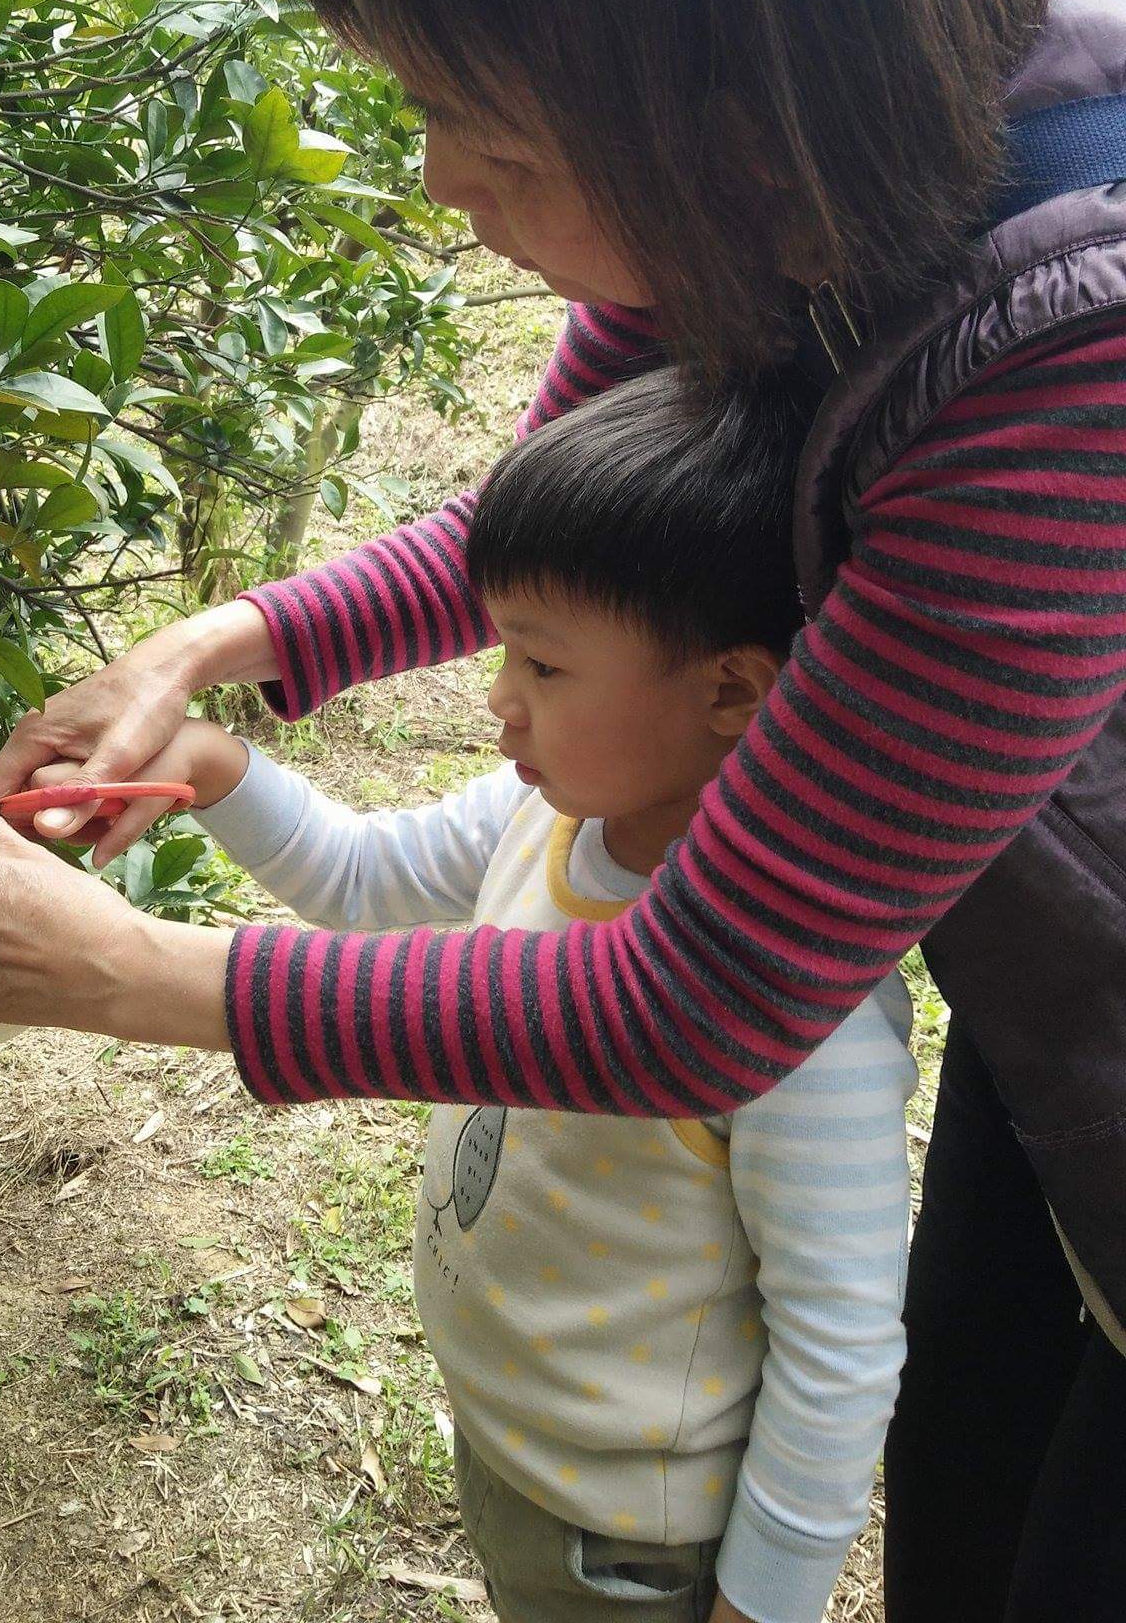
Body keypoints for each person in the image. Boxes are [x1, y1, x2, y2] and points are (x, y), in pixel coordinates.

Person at [0, 0, 1126, 1615]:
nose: (438, 183)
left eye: (483, 127)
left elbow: (704, 990)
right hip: (1054, 1016)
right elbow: (531, 527)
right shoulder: (799, 162)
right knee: (974, 1462)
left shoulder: (1072, 358)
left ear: (738, 116)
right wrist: (228, 641)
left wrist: (130, 979)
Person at [167, 370, 918, 1623]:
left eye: (546, 662)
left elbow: (839, 1348)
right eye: (504, 645)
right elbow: (365, 872)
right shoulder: (548, 814)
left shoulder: (807, 1011)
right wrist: (208, 765)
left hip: (625, 1536)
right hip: (515, 1441)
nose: (498, 697)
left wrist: (767, 1603)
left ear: (732, 690)